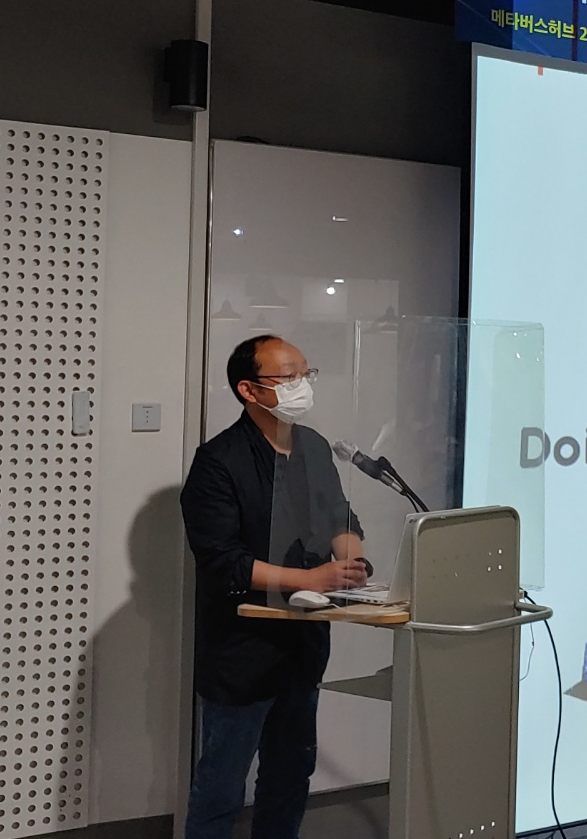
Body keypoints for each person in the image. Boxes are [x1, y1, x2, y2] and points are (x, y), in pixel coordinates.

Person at [181, 336, 369, 839]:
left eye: (306, 374)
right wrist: (307, 579)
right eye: (288, 377)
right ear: (249, 389)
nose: (302, 386)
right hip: (242, 649)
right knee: (222, 785)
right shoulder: (218, 460)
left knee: (290, 775)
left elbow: (339, 515)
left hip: (303, 640)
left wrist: (351, 558)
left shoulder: (313, 447)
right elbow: (223, 561)